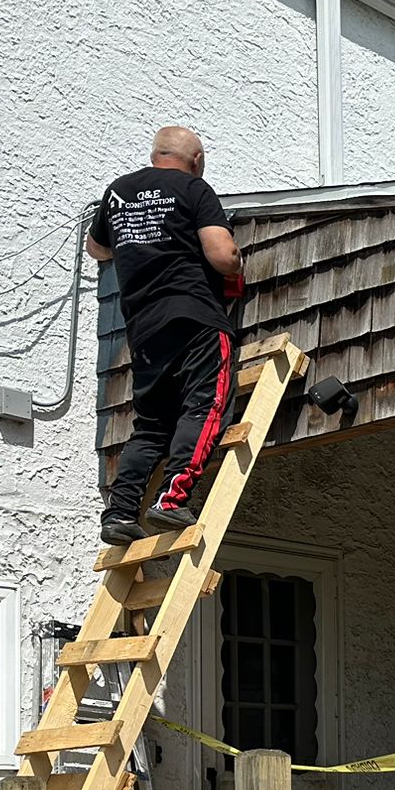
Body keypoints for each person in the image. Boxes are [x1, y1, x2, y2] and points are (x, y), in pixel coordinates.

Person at [86, 126, 244, 546]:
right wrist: (235, 255)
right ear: (197, 160)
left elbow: (96, 249)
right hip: (195, 317)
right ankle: (172, 500)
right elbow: (223, 257)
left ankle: (119, 515)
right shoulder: (194, 189)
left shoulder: (118, 192)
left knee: (152, 425)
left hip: (144, 329)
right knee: (205, 405)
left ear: (156, 155)